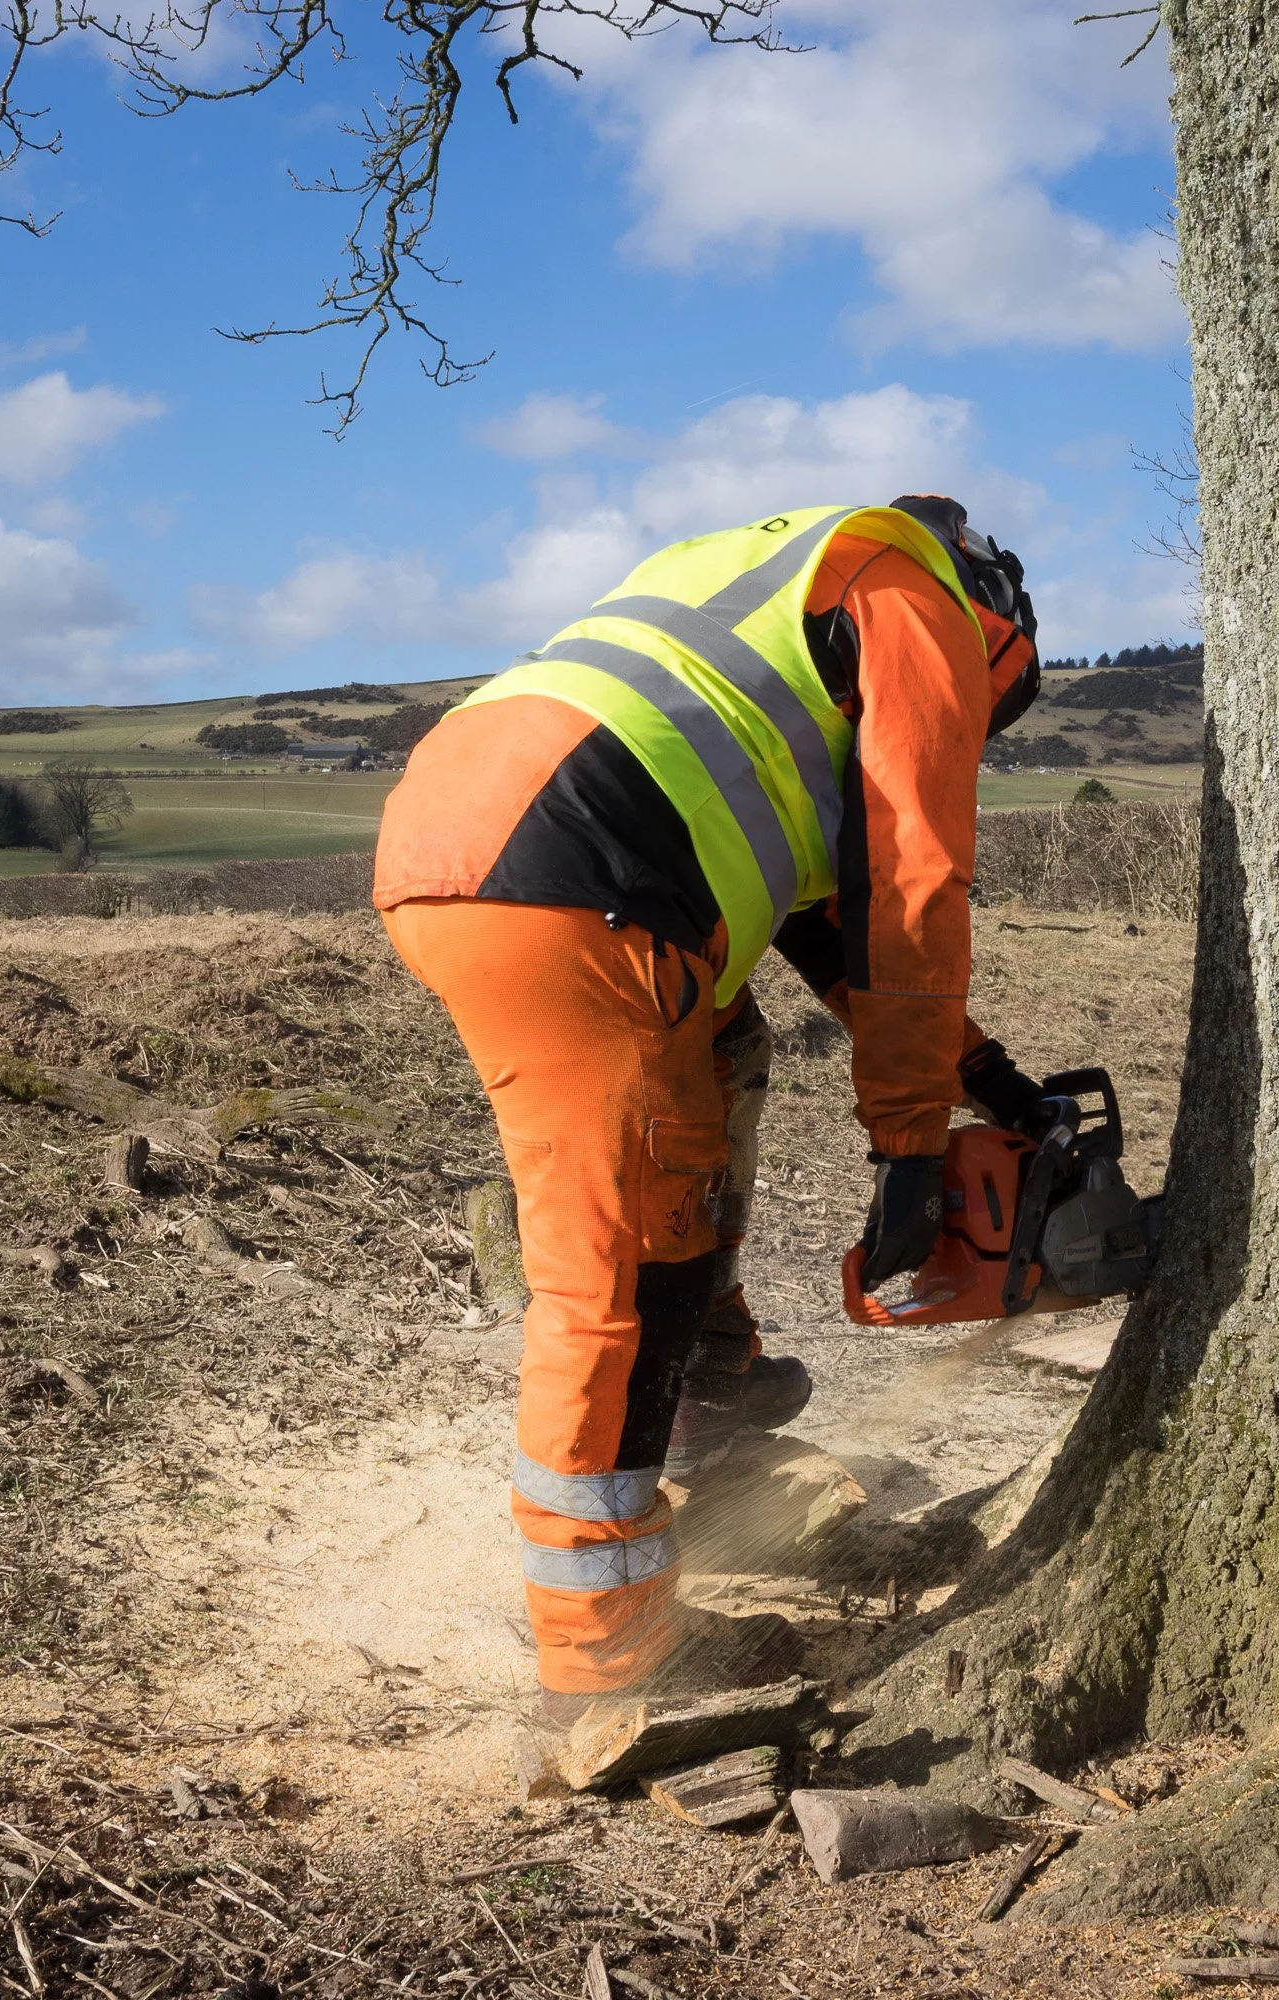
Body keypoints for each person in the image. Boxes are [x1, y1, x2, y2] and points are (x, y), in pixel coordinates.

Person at [373, 496, 1051, 1717]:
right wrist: (906, 1145)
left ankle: (704, 1408)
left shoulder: (781, 572)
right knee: (621, 1265)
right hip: (579, 872)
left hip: (476, 823)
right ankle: (609, 1659)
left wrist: (982, 1076)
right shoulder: (919, 601)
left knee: (718, 1063)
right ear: (996, 622)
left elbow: (826, 918)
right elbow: (908, 877)